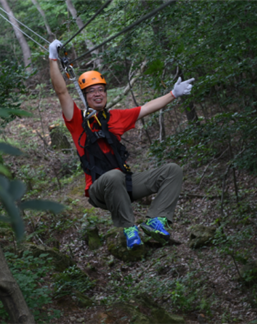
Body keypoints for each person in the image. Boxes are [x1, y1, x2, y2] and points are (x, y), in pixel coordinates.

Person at [48, 39, 194, 249]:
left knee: (172, 170)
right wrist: (53, 59)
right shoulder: (77, 121)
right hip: (99, 190)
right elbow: (62, 92)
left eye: (101, 90)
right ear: (85, 96)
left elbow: (146, 108)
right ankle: (129, 229)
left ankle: (156, 220)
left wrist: (173, 94)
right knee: (114, 175)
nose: (98, 93)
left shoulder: (115, 117)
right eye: (91, 91)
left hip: (124, 184)